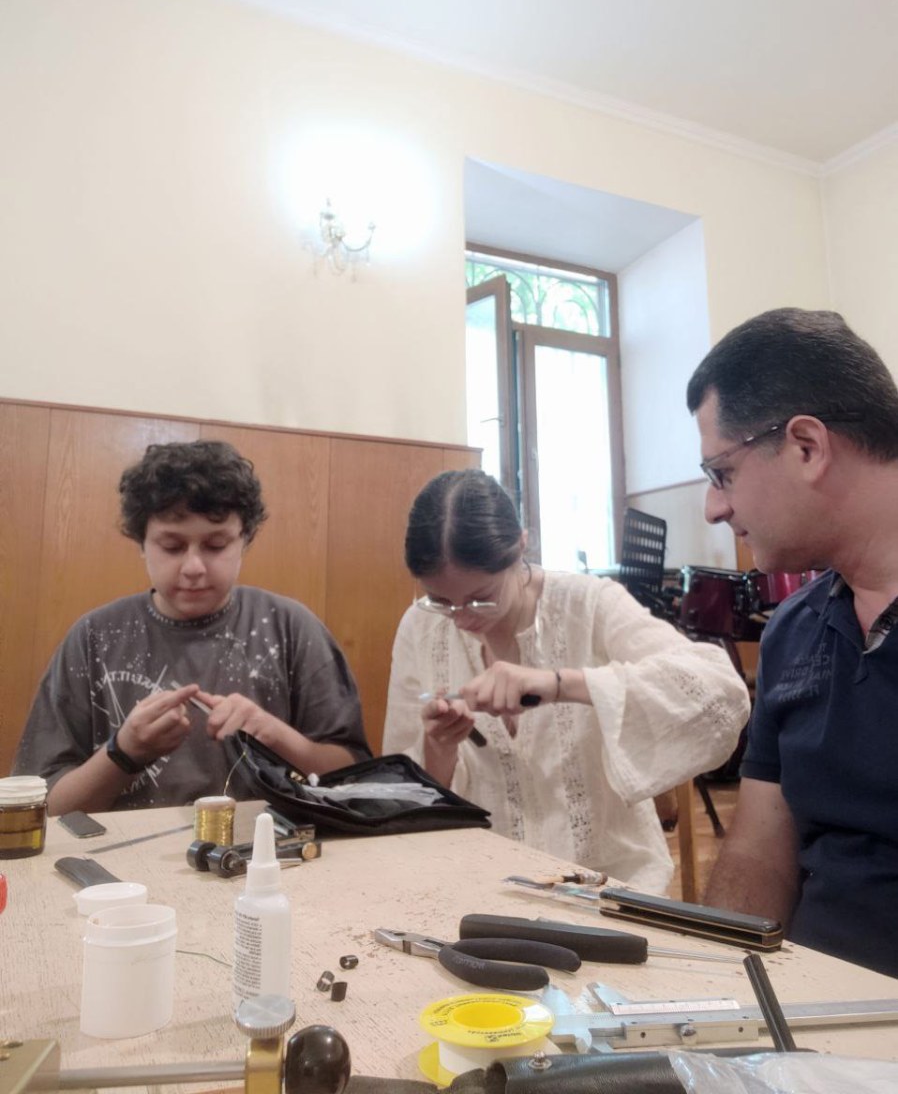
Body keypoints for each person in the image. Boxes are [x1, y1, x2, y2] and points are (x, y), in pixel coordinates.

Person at [382, 469, 749, 893]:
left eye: (481, 598)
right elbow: (404, 796)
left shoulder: (588, 604)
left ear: (521, 547)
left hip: (610, 882)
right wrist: (439, 748)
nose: (461, 618)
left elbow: (721, 691)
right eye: (441, 601)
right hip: (482, 883)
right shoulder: (420, 627)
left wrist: (558, 684)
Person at [688, 307, 898, 979]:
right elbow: (758, 855)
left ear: (807, 446)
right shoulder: (792, 630)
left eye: (722, 472)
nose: (714, 508)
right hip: (807, 1013)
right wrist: (720, 993)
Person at [14, 440, 371, 814]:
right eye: (171, 546)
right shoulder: (93, 638)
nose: (194, 567)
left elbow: (354, 777)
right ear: (142, 543)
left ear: (245, 541)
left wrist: (273, 734)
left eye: (216, 546)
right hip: (121, 852)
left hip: (270, 846)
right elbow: (41, 808)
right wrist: (123, 752)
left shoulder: (293, 628)